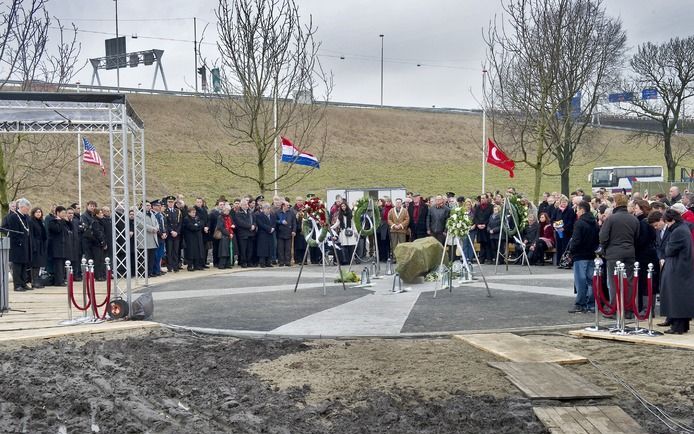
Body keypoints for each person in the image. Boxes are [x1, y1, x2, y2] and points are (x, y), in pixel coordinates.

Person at [599, 193, 639, 311]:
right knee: (630, 281)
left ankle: (615, 308)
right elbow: (637, 236)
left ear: (615, 203)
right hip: (630, 251)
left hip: (614, 252)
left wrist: (605, 248)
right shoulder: (633, 219)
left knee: (614, 281)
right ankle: (628, 308)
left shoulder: (611, 218)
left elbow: (603, 237)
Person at [659, 209, 694, 334]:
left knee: (676, 297)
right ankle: (682, 325)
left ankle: (677, 327)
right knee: (681, 297)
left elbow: (669, 250)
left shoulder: (678, 231)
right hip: (682, 266)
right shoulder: (683, 228)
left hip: (677, 268)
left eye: (667, 222)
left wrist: (668, 244)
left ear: (672, 220)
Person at [568, 201, 599, 313]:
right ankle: (591, 303)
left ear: (582, 210)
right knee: (591, 280)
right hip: (591, 254)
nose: (576, 212)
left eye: (577, 209)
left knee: (580, 280)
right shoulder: (594, 223)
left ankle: (580, 303)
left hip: (580, 255)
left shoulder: (579, 223)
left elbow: (576, 240)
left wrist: (571, 252)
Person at [633, 200, 660, 313]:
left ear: (642, 208)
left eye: (636, 208)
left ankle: (646, 308)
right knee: (647, 282)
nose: (634, 209)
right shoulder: (645, 221)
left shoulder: (644, 222)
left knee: (645, 282)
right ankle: (647, 308)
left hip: (645, 256)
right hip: (649, 254)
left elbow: (642, 240)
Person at [7, 198, 32, 291]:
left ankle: (23, 283)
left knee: (24, 265)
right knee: (17, 266)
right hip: (17, 245)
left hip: (25, 244)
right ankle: (17, 285)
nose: (28, 210)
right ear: (21, 207)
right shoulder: (13, 217)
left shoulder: (25, 217)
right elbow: (13, 232)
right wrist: (20, 242)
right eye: (27, 208)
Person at [47, 206, 72, 286]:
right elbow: (57, 229)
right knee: (58, 265)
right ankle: (58, 281)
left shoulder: (63, 221)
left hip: (63, 246)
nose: (64, 214)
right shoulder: (52, 221)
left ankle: (62, 279)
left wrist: (68, 221)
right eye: (63, 213)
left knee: (62, 265)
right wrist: (61, 221)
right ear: (57, 213)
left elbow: (69, 229)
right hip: (56, 247)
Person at [552, 196, 576, 266]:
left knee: (565, 246)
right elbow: (553, 219)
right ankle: (559, 261)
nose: (564, 204)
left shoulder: (570, 210)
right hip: (558, 231)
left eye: (565, 202)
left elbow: (571, 221)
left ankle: (565, 261)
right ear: (560, 203)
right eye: (562, 202)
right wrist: (555, 226)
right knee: (559, 246)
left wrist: (564, 228)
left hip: (566, 232)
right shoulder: (557, 210)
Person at [28, 207, 47, 288]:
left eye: (40, 212)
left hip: (40, 244)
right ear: (33, 213)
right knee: (35, 264)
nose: (38, 213)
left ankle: (36, 281)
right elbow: (31, 235)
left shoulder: (41, 222)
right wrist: (34, 246)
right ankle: (34, 282)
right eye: (36, 212)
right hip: (35, 244)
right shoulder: (31, 222)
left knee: (38, 264)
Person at [234, 198, 256, 268]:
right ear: (241, 205)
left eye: (247, 204)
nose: (246, 206)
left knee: (250, 249)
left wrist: (254, 226)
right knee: (243, 249)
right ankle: (243, 262)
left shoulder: (250, 212)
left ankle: (249, 261)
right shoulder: (238, 213)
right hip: (243, 234)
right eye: (245, 204)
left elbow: (254, 221)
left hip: (251, 234)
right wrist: (250, 226)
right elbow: (240, 223)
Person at [163, 195, 183, 272]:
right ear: (167, 203)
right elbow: (166, 224)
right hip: (169, 234)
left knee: (176, 250)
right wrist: (171, 231)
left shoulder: (177, 211)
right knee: (169, 251)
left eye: (172, 202)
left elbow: (180, 223)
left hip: (176, 235)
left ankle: (175, 266)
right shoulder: (165, 211)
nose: (171, 203)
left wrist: (177, 232)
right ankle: (169, 266)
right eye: (169, 202)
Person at [182, 206, 205, 271]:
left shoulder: (197, 218)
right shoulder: (186, 219)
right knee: (191, 252)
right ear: (189, 213)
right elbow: (191, 227)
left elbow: (202, 224)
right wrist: (197, 225)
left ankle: (197, 265)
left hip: (197, 237)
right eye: (192, 212)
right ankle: (190, 266)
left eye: (195, 212)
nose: (194, 214)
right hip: (190, 238)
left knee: (197, 251)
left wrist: (197, 225)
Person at [473, 195, 493, 262]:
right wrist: (478, 224)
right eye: (481, 198)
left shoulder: (491, 207)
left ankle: (489, 258)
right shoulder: (478, 207)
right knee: (481, 244)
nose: (482, 199)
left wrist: (485, 224)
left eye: (483, 198)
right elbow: (475, 217)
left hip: (487, 227)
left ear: (487, 199)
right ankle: (482, 258)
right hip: (479, 228)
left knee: (488, 244)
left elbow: (491, 217)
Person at [275, 201, 296, 267]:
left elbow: (294, 223)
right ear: (283, 206)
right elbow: (275, 221)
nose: (288, 207)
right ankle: (281, 261)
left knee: (288, 248)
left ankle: (287, 261)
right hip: (280, 233)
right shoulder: (277, 212)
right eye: (287, 205)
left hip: (289, 232)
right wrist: (281, 221)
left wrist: (294, 231)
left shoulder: (291, 212)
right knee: (280, 248)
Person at [215, 204, 235, 269]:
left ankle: (227, 264)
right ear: (224, 210)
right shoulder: (220, 217)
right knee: (223, 251)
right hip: (224, 236)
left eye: (229, 210)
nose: (228, 212)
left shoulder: (229, 217)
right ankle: (222, 264)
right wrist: (228, 234)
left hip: (229, 236)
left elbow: (232, 224)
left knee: (229, 250)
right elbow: (220, 227)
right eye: (227, 210)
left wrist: (232, 227)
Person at [292, 197, 307, 265]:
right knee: (298, 246)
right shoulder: (293, 209)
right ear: (296, 201)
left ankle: (305, 259)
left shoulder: (305, 208)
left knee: (304, 245)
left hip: (305, 229)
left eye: (301, 200)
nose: (300, 201)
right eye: (298, 200)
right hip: (297, 229)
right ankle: (298, 259)